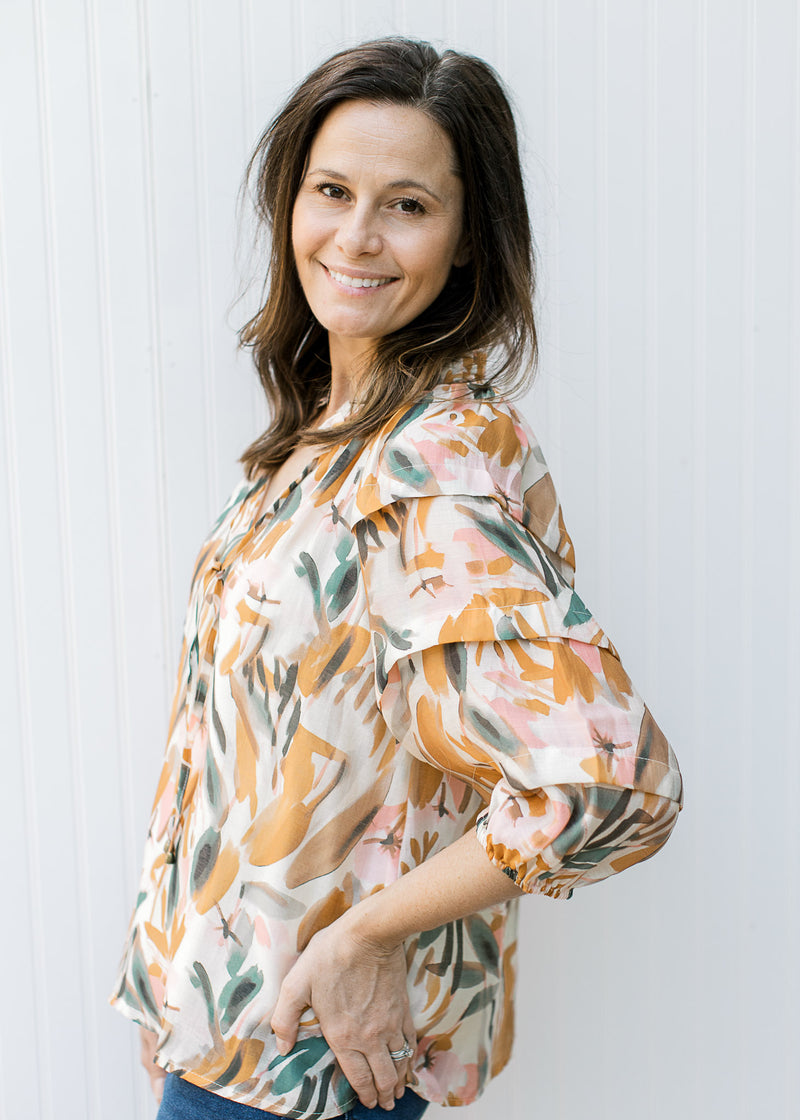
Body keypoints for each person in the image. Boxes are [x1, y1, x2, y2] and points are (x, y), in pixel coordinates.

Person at [111, 37, 683, 1120]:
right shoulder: (314, 447)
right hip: (224, 1039)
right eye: (331, 191)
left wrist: (368, 933)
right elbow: (234, 759)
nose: (356, 237)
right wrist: (174, 984)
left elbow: (607, 780)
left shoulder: (435, 458)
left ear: (467, 241)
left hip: (311, 1070)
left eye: (407, 205)